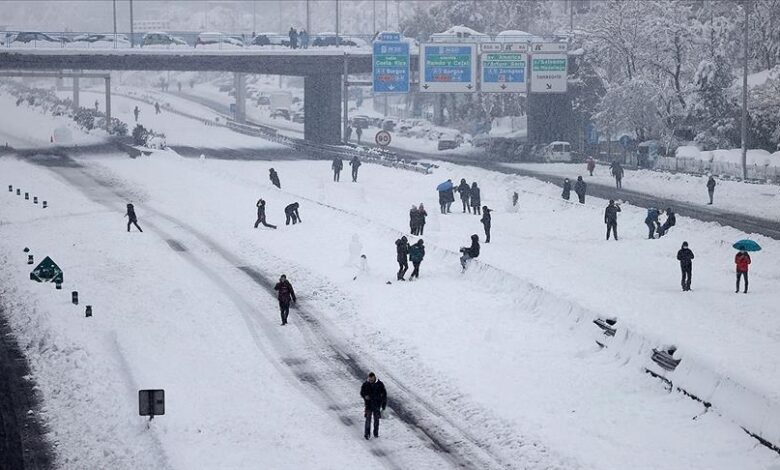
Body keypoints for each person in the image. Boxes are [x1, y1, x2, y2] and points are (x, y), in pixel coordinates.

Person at [360, 372, 387, 440]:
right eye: (370, 379)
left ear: (374, 377)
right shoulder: (366, 384)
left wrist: (383, 406)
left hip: (377, 405)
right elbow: (362, 392)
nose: (370, 381)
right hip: (368, 405)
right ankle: (367, 434)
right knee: (368, 420)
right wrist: (365, 396)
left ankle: (376, 433)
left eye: (372, 379)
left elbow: (384, 395)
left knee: (376, 420)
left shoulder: (380, 384)